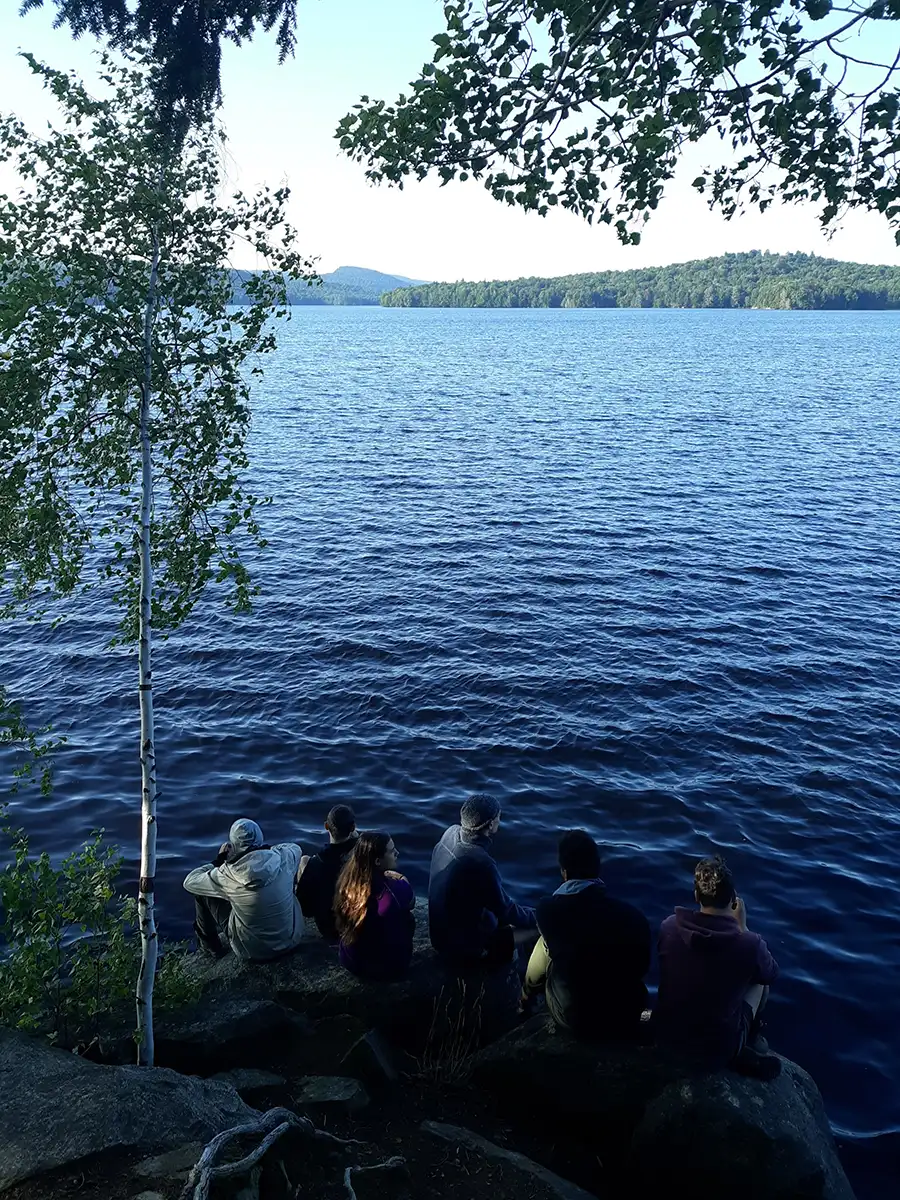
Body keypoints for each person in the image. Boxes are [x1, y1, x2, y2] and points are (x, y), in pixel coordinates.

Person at [654, 854, 780, 1078]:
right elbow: (771, 973)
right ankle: (749, 1040)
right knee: (760, 983)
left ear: (696, 895)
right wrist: (742, 927)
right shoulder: (749, 944)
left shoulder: (669, 927)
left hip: (666, 1036)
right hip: (713, 1052)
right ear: (733, 899)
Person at [520, 829, 651, 1040]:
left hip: (576, 1018)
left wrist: (528, 992)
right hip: (625, 1015)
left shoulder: (548, 910)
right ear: (597, 869)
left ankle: (525, 999)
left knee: (545, 945)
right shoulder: (633, 916)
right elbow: (642, 966)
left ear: (564, 871)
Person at [428, 793, 536, 969]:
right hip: (460, 950)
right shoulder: (481, 863)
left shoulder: (450, 832)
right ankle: (525, 982)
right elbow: (506, 909)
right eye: (499, 818)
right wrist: (538, 917)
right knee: (536, 928)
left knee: (513, 917)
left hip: (439, 934)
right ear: (491, 824)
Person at [183, 818, 304, 963]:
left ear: (233, 846)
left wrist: (219, 861)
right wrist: (262, 848)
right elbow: (295, 847)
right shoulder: (283, 857)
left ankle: (211, 948)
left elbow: (190, 881)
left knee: (202, 893)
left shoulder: (227, 873)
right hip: (291, 940)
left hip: (251, 951)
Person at [335, 832, 416, 982]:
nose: (397, 852)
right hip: (386, 969)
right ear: (378, 861)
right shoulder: (394, 891)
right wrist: (400, 878)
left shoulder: (346, 884)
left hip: (350, 960)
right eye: (391, 851)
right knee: (408, 918)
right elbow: (411, 902)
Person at [295, 804, 359, 940]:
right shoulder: (361, 856)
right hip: (357, 925)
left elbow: (306, 910)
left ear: (326, 826)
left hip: (329, 930)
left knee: (304, 860)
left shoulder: (316, 864)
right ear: (353, 828)